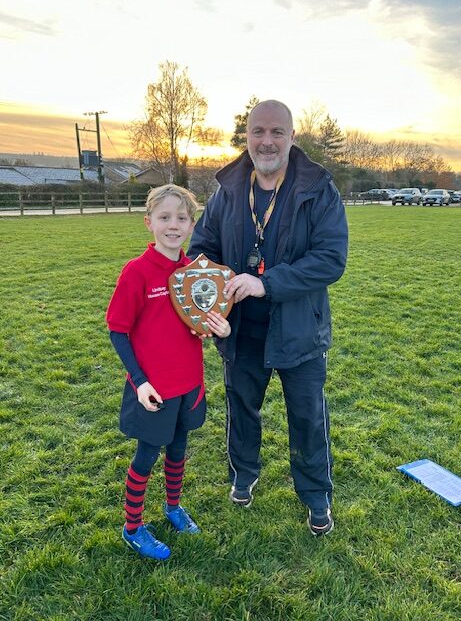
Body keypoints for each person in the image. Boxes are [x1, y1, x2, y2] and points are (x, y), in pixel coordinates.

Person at [188, 100, 348, 536]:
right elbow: (202, 247)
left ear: (292, 137)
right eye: (258, 131)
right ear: (247, 136)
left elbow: (331, 259)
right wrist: (211, 293)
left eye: (277, 132)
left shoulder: (318, 188)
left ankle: (317, 497)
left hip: (299, 328)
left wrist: (267, 282)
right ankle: (244, 475)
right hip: (241, 329)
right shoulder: (227, 190)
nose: (267, 141)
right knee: (242, 410)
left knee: (307, 418)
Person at [106, 184, 230, 561]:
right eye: (164, 217)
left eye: (181, 218)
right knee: (147, 455)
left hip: (189, 384)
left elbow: (198, 325)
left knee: (178, 449)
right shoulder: (137, 272)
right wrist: (140, 382)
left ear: (191, 225)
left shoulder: (193, 274)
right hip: (154, 389)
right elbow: (117, 329)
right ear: (149, 223)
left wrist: (217, 328)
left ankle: (173, 507)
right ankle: (132, 528)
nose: (172, 225)